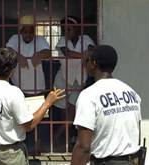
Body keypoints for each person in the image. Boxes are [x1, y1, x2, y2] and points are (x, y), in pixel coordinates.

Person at [0, 48, 65, 165]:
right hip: (10, 155)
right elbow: (29, 125)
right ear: (12, 71)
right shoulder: (12, 93)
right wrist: (47, 103)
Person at [71, 45, 142, 165]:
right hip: (132, 161)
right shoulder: (132, 93)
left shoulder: (89, 96)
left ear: (94, 63)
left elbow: (83, 146)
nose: (84, 64)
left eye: (86, 60)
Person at [53, 16, 95, 151]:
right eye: (64, 29)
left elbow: (92, 51)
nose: (67, 31)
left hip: (79, 82)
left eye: (69, 28)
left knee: (73, 112)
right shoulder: (62, 41)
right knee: (63, 111)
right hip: (63, 80)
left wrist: (87, 54)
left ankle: (60, 137)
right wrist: (84, 56)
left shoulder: (86, 39)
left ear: (77, 29)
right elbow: (67, 53)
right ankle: (63, 140)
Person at [6, 15, 51, 95]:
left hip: (37, 88)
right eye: (25, 32)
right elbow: (7, 50)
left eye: (31, 32)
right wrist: (18, 56)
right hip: (17, 87)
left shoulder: (40, 39)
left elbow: (48, 52)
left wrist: (39, 54)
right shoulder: (15, 38)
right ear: (21, 31)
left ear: (34, 32)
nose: (28, 35)